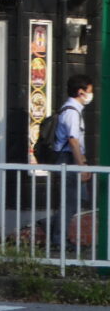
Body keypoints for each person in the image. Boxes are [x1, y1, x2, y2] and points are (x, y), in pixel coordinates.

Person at [50, 73, 93, 249]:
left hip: (72, 158)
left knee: (76, 200)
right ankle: (58, 239)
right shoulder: (71, 112)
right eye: (89, 91)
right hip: (68, 159)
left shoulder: (71, 110)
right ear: (80, 92)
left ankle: (51, 227)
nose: (91, 95)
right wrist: (81, 166)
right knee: (70, 201)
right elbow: (73, 141)